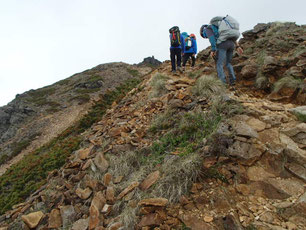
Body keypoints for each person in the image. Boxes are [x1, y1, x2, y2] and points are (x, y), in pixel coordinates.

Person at [200, 16, 243, 86]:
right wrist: (238, 46)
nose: (206, 37)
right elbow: (230, 35)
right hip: (232, 44)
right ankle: (233, 80)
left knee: (219, 64)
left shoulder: (208, 29)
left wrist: (213, 50)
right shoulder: (223, 27)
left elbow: (212, 39)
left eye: (204, 36)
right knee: (228, 63)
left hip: (223, 45)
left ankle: (222, 82)